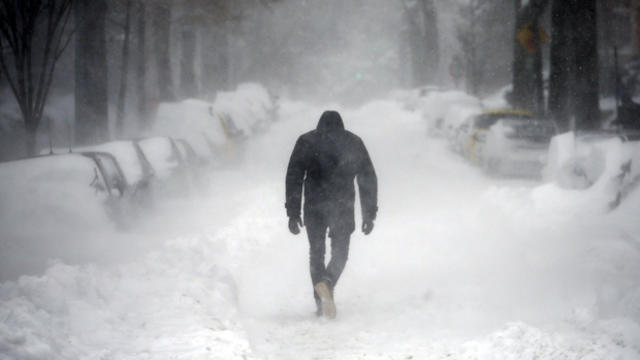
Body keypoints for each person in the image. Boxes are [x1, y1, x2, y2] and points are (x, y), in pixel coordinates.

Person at [285, 110, 378, 319]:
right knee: (341, 254)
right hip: (342, 205)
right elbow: (367, 178)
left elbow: (294, 177)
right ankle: (328, 282)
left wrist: (293, 213)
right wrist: (369, 213)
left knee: (316, 253)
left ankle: (321, 301)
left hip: (314, 205)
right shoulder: (353, 142)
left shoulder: (306, 141)